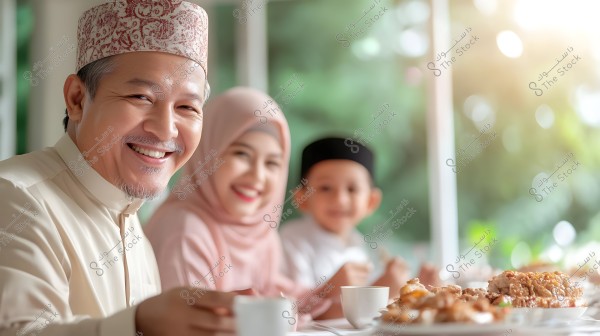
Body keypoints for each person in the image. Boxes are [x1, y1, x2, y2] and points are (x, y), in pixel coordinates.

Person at [0, 2, 242, 336]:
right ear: (77, 99)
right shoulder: (15, 196)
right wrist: (139, 322)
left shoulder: (129, 218)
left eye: (187, 106)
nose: (166, 129)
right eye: (141, 97)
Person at [145, 88, 366, 321]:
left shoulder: (260, 234)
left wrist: (331, 293)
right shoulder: (184, 229)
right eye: (242, 154)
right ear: (207, 152)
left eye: (272, 163)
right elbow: (193, 324)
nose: (257, 177)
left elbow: (278, 295)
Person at [280, 137, 438, 303]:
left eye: (352, 189)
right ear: (301, 198)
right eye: (325, 188)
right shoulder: (291, 240)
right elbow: (299, 312)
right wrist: (378, 291)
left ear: (371, 201)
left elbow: (373, 313)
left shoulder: (359, 245)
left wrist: (419, 291)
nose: (340, 200)